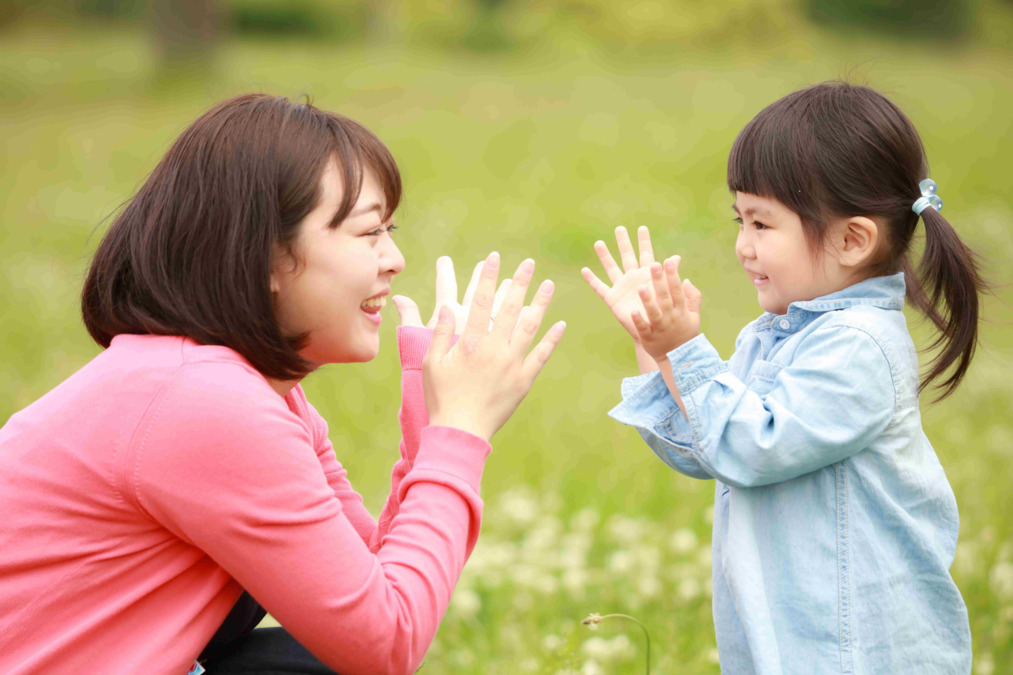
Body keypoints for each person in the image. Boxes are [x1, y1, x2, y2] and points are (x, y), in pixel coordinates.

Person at [0, 94, 565, 675]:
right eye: (368, 231)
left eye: (390, 230)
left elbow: (367, 586)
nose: (394, 258)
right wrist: (461, 430)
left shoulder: (242, 391)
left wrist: (431, 420)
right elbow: (386, 642)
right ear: (266, 256)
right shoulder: (204, 403)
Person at [583, 82, 979, 672]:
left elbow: (750, 445)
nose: (742, 246)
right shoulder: (774, 336)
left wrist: (687, 349)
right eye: (739, 220)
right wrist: (656, 345)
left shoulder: (860, 346)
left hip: (858, 649)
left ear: (852, 239)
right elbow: (706, 447)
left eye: (763, 225)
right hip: (791, 642)